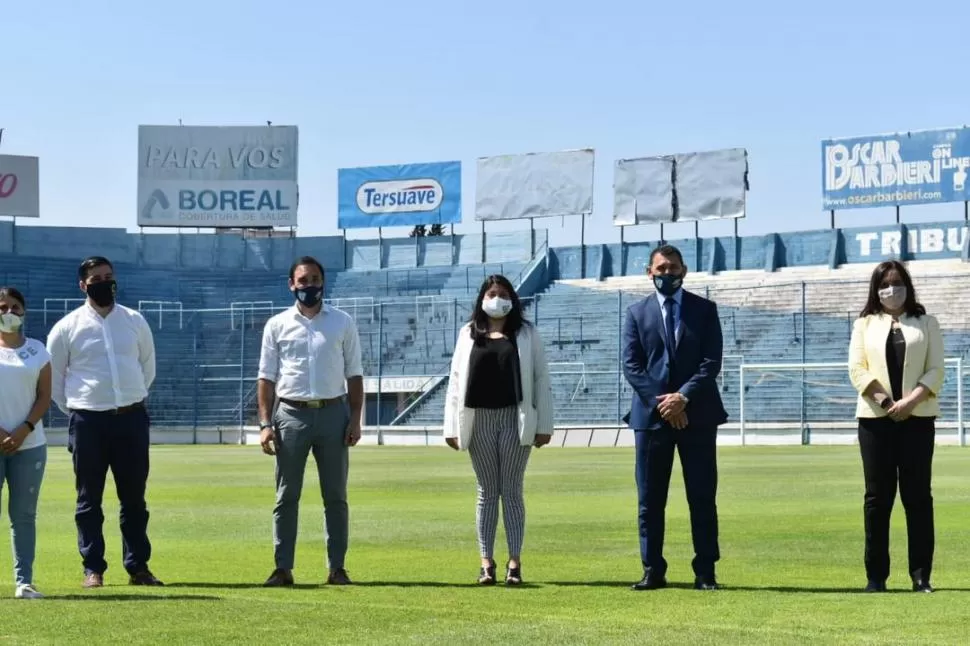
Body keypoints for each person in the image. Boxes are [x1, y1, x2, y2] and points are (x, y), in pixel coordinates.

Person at [46, 256, 161, 588]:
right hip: (88, 423)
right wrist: (81, 410)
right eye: (96, 278)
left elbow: (146, 367)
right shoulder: (66, 328)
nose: (104, 282)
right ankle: (92, 567)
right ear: (83, 285)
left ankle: (138, 567)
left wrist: (128, 398)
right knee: (88, 499)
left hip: (131, 418)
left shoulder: (135, 321)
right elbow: (55, 381)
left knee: (134, 499)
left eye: (109, 276)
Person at [621, 244, 727, 591]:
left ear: (684, 271)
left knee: (701, 496)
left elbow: (711, 361)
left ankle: (705, 571)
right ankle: (653, 569)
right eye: (661, 268)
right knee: (650, 499)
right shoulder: (636, 313)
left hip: (698, 416)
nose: (667, 274)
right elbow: (632, 366)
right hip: (651, 421)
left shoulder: (705, 310)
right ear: (649, 272)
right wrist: (663, 403)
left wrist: (683, 397)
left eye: (673, 268)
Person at [257, 256, 364, 587]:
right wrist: (265, 423)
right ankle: (282, 567)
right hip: (290, 414)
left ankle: (337, 567)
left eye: (315, 279)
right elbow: (266, 377)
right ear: (292, 285)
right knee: (286, 496)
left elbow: (355, 374)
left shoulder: (342, 322)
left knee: (335, 495)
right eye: (303, 280)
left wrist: (356, 420)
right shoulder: (277, 324)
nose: (309, 286)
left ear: (323, 282)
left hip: (334, 412)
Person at [443, 274, 554, 586]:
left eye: (503, 293)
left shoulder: (526, 333)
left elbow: (541, 377)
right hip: (478, 420)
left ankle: (514, 562)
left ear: (513, 299)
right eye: (492, 293)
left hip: (514, 418)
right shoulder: (468, 333)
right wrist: (450, 426)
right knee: (487, 492)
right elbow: (455, 381)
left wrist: (544, 425)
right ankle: (486, 562)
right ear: (482, 298)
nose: (497, 298)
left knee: (512, 491)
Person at [848, 260, 944, 594]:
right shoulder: (864, 324)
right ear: (876, 289)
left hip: (917, 420)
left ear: (908, 285)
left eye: (898, 282)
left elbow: (936, 371)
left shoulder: (927, 322)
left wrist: (909, 403)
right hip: (876, 421)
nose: (892, 290)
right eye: (885, 284)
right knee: (878, 498)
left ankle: (921, 575)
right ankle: (876, 576)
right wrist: (888, 404)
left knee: (918, 497)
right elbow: (857, 370)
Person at [0, 287, 52, 599]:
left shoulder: (38, 350)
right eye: (3, 306)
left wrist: (24, 429)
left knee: (23, 515)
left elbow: (44, 395)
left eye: (15, 306)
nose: (9, 312)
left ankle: (25, 582)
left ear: (24, 311)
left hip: (30, 444)